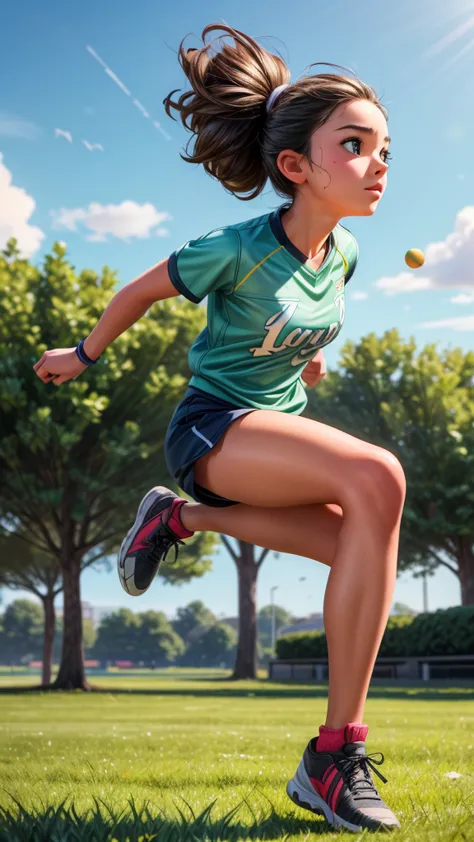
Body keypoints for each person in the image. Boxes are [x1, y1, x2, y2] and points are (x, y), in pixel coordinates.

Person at [33, 23, 404, 834]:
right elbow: (138, 291)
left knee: (358, 543)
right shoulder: (235, 249)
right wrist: (84, 355)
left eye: (385, 148)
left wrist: (309, 365)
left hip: (274, 424)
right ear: (295, 167)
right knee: (379, 476)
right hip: (213, 429)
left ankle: (177, 519)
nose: (379, 163)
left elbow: (299, 330)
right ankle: (338, 752)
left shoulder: (341, 258)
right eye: (357, 144)